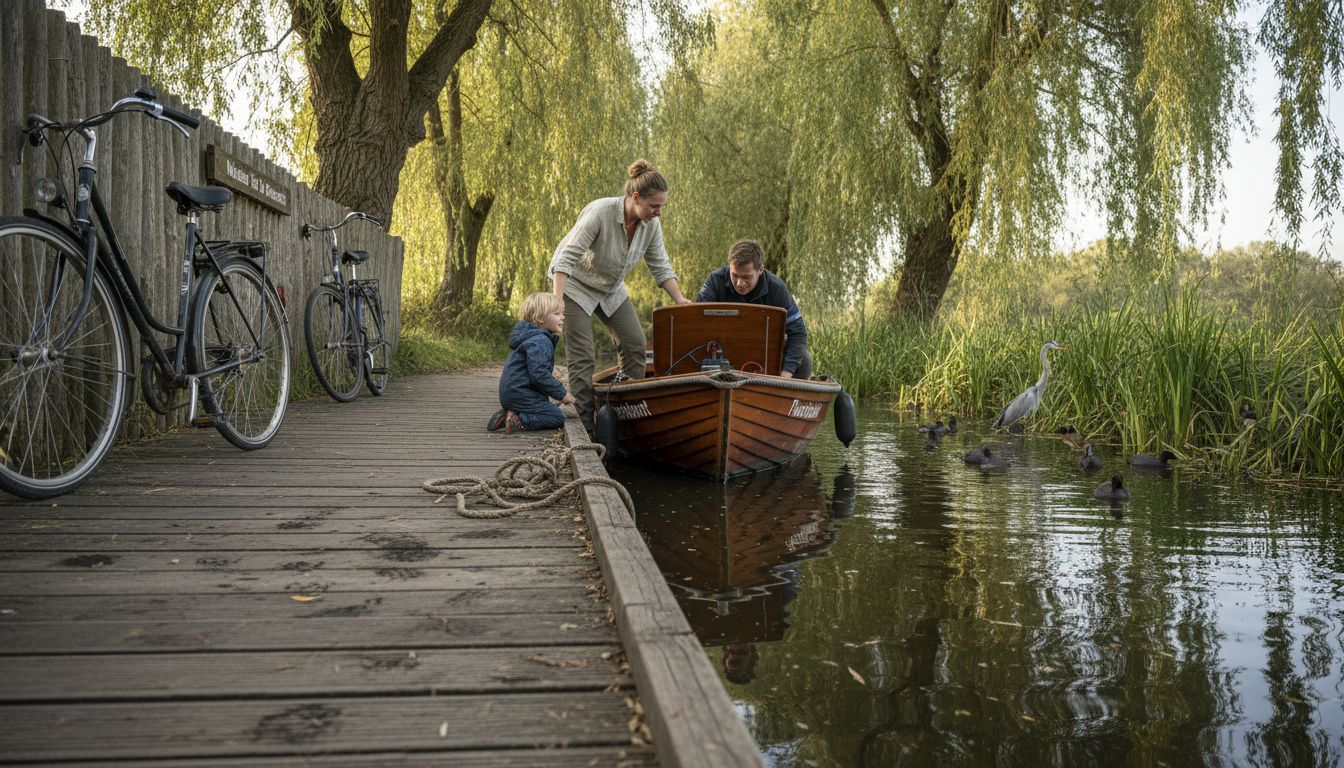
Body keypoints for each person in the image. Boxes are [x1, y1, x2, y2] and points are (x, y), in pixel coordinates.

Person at [549, 159, 692, 433]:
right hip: (576, 286)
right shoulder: (599, 213)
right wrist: (557, 302)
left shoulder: (651, 225)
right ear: (635, 198)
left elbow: (660, 265)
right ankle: (586, 428)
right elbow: (565, 259)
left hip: (611, 288)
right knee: (583, 355)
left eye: (661, 206)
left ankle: (625, 413)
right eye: (654, 206)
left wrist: (680, 300)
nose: (658, 212)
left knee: (635, 343)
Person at [696, 239, 812, 379]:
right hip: (720, 353)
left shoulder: (777, 288)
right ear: (729, 267)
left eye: (747, 277)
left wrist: (785, 376)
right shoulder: (714, 280)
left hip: (764, 353)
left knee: (805, 360)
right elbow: (698, 323)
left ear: (760, 270)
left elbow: (798, 333)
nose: (739, 283)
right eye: (735, 275)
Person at [487, 293, 576, 434]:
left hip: (513, 394)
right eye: (557, 313)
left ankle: (510, 413)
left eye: (562, 313)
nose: (562, 317)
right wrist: (561, 393)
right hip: (521, 394)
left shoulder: (532, 337)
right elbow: (539, 374)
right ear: (541, 318)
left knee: (548, 408)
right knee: (557, 417)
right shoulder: (540, 341)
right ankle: (517, 420)